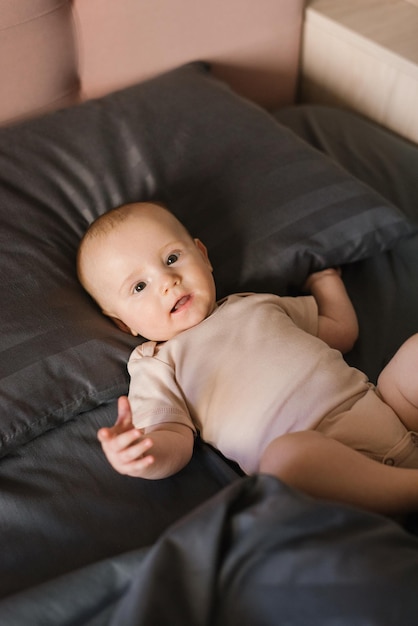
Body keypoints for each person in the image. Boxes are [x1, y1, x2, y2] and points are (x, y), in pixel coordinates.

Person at [77, 201, 418, 515]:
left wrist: (325, 280)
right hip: (330, 476)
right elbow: (174, 438)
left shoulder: (256, 303)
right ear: (123, 324)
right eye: (139, 287)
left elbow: (340, 332)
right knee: (287, 460)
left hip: (392, 419)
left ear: (203, 255)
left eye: (171, 259)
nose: (168, 281)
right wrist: (144, 453)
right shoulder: (155, 363)